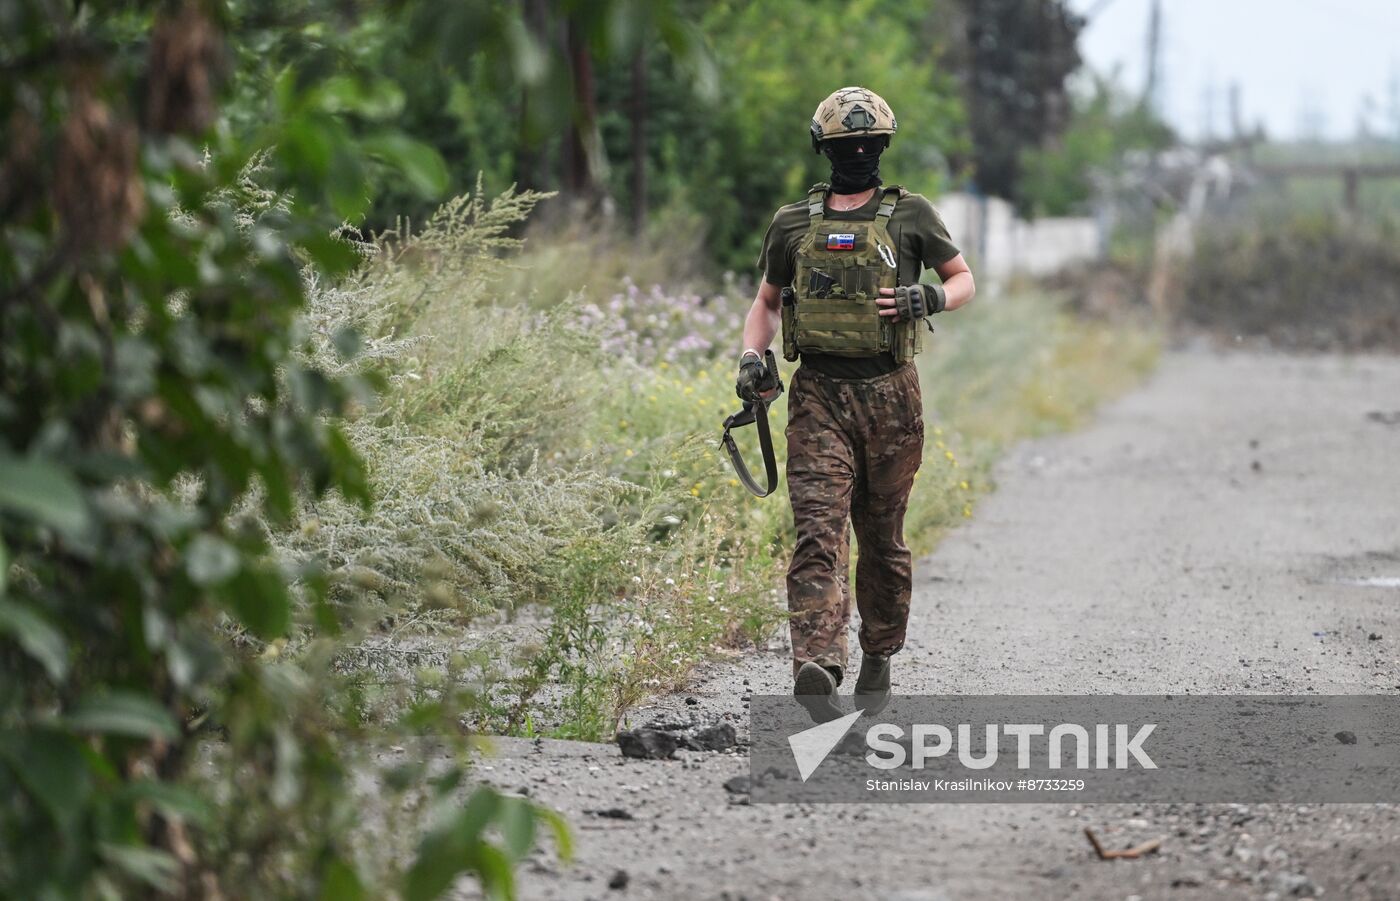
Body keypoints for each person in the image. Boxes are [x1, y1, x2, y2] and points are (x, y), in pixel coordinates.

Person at [735, 86, 975, 723]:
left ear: (884, 147)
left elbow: (963, 279)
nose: (860, 154)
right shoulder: (793, 223)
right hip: (819, 398)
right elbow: (765, 302)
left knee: (882, 539)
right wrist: (752, 359)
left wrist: (929, 299)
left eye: (869, 146)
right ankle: (818, 664)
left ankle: (878, 651)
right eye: (848, 147)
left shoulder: (912, 214)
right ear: (826, 149)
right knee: (818, 532)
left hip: (892, 397)